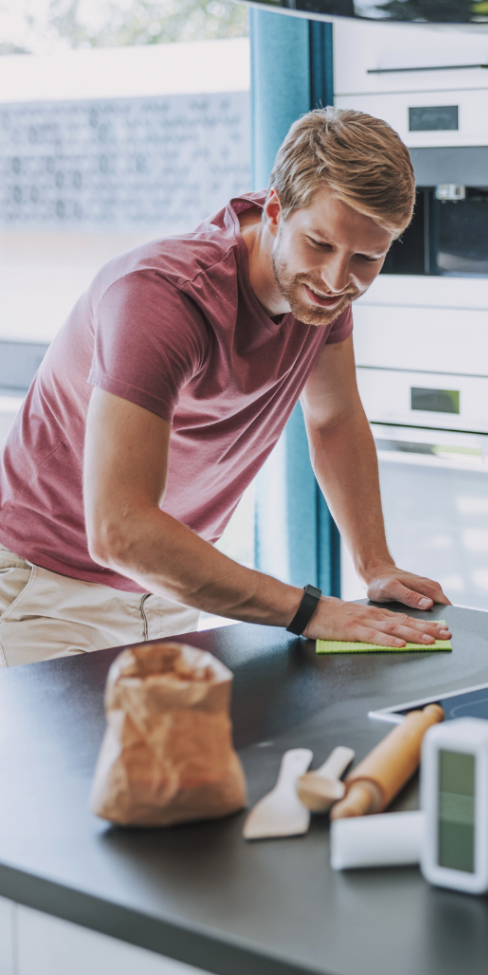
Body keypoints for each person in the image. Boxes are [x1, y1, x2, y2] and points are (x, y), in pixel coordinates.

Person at [0, 107, 452, 667]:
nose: (338, 280)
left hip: (165, 591)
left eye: (367, 258)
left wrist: (376, 563)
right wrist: (313, 611)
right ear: (275, 210)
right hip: (40, 590)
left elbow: (333, 419)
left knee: (179, 757)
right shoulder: (162, 298)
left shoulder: (321, 298)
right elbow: (119, 530)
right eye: (320, 244)